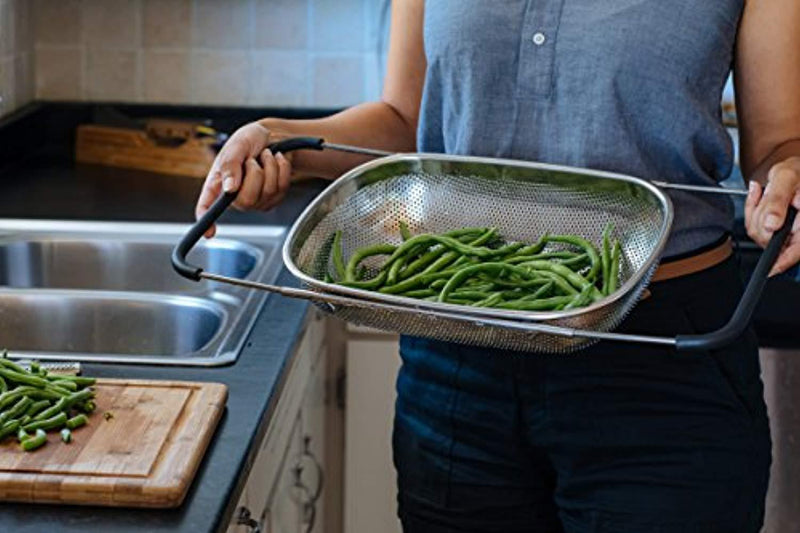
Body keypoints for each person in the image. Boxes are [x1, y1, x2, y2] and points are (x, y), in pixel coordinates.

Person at [195, 1, 800, 531]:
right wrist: (281, 139)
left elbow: (778, 146)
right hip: (460, 357)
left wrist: (789, 181)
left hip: (662, 363)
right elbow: (405, 123)